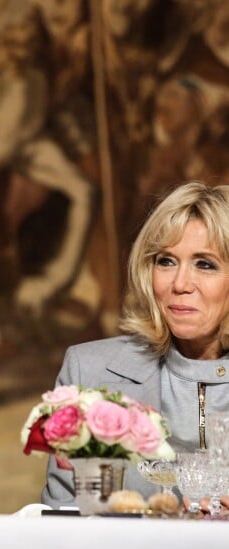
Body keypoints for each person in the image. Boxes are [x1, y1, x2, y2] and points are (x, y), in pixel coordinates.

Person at [42, 181, 229, 507]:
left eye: (205, 264)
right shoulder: (89, 373)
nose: (180, 284)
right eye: (166, 261)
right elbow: (63, 521)